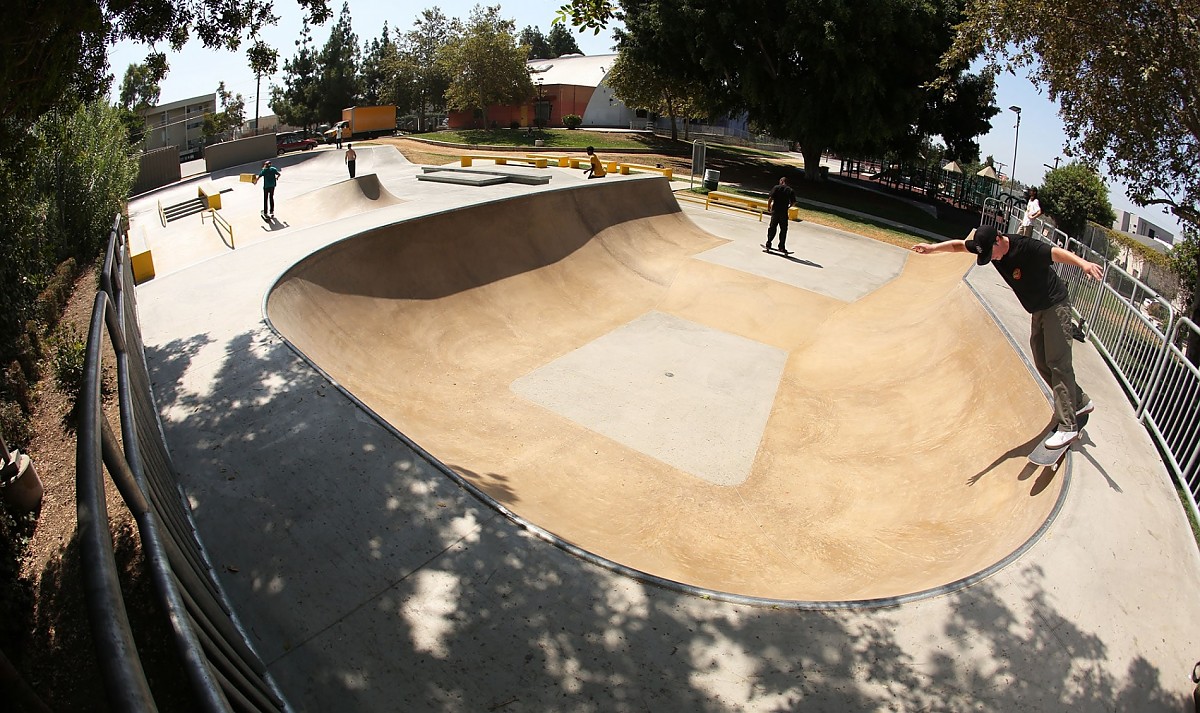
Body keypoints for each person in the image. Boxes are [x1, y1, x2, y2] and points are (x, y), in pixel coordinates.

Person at [910, 225, 1103, 449]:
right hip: (1038, 309)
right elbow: (958, 245)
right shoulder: (986, 246)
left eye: (992, 254)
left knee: (1058, 363)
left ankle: (1067, 426)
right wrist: (932, 248)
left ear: (998, 240)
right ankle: (1079, 401)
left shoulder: (1026, 247)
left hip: (1055, 305)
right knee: (1041, 361)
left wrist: (1084, 264)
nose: (993, 259)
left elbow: (1056, 253)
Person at [765, 176, 796, 253]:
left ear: (781, 181)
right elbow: (793, 202)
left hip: (775, 211)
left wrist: (769, 207)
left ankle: (769, 243)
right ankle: (781, 247)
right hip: (783, 212)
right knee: (783, 229)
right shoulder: (790, 190)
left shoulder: (776, 188)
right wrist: (789, 207)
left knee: (772, 227)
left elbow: (770, 199)